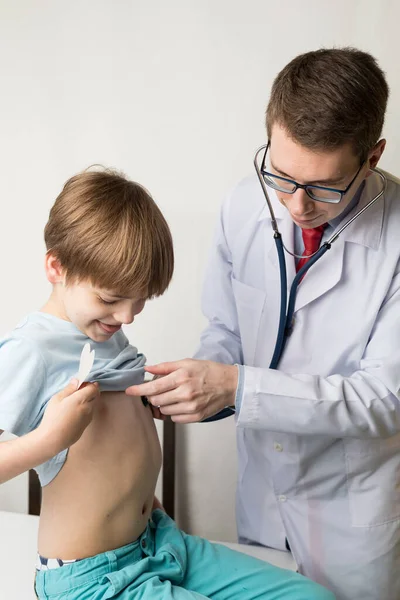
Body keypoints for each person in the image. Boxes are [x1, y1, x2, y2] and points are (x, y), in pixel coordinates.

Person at [128, 48, 400, 600]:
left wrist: (239, 388)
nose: (296, 204)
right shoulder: (242, 207)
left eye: (325, 186)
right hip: (262, 491)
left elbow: (385, 396)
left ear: (372, 156)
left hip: (350, 512)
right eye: (280, 174)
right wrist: (199, 385)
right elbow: (227, 331)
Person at [0, 168, 333, 600]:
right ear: (56, 266)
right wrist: (49, 440)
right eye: (110, 299)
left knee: (313, 598)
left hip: (158, 541)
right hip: (93, 579)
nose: (126, 317)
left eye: (139, 301)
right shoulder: (31, 351)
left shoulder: (100, 330)